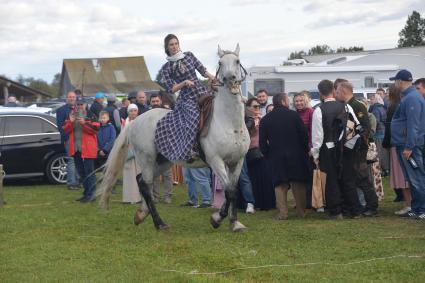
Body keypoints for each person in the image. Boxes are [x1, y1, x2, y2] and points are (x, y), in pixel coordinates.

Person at [154, 34, 216, 162]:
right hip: (187, 97)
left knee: (217, 106)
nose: (174, 46)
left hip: (200, 90)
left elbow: (202, 70)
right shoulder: (166, 68)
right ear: (167, 47)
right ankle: (191, 149)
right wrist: (184, 83)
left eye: (176, 43)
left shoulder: (189, 55)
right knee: (193, 117)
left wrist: (213, 78)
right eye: (171, 44)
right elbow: (172, 88)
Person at [312, 80, 361, 219]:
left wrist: (315, 154)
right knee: (348, 179)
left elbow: (317, 136)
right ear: (334, 90)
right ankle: (353, 209)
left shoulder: (318, 110)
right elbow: (355, 126)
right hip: (345, 148)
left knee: (331, 181)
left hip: (327, 149)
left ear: (321, 93)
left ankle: (336, 211)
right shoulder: (346, 107)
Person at [260, 93, 310, 220]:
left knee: (279, 184)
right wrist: (304, 150)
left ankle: (283, 213)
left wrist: (268, 155)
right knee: (298, 183)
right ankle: (301, 211)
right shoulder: (294, 115)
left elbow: (262, 143)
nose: (289, 102)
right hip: (296, 154)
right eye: (287, 100)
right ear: (283, 101)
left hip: (276, 155)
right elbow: (304, 135)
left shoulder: (265, 119)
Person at [336, 81, 379, 217]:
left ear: (343, 92)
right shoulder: (346, 106)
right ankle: (360, 205)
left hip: (358, 149)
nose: (335, 94)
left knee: (362, 177)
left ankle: (372, 205)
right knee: (354, 178)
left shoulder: (356, 106)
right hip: (351, 149)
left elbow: (364, 129)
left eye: (337, 92)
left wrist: (352, 144)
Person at [390, 69, 425, 219]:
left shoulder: (412, 98)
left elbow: (413, 124)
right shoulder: (409, 97)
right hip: (405, 143)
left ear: (400, 82)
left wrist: (409, 146)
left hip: (409, 145)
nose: (394, 84)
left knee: (416, 178)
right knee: (412, 178)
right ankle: (417, 208)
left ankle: (421, 209)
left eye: (395, 81)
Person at [62, 97, 99, 203]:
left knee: (89, 172)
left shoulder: (91, 115)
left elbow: (95, 130)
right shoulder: (72, 115)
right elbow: (65, 129)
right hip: (76, 149)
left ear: (86, 105)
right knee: (82, 173)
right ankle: (87, 193)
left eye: (81, 104)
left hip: (88, 149)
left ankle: (91, 194)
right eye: (78, 104)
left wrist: (84, 123)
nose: (79, 106)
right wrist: (71, 122)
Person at [382, 84, 411, 213]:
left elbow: (389, 127)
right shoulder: (407, 104)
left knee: (402, 177)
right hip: (409, 143)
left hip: (398, 144)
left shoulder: (393, 106)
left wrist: (386, 143)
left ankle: (409, 204)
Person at [245, 98, 275, 210]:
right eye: (255, 106)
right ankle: (254, 202)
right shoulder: (246, 120)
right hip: (250, 151)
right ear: (248, 108)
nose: (257, 108)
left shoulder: (263, 118)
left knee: (265, 178)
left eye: (258, 106)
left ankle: (267, 203)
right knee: (253, 178)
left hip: (263, 152)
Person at [148, 94, 173, 204]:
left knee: (167, 174)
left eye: (157, 101)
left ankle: (168, 196)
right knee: (155, 174)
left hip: (166, 147)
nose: (155, 103)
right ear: (150, 103)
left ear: (160, 101)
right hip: (153, 147)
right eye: (153, 101)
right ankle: (156, 196)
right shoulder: (147, 115)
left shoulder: (167, 112)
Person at [56, 91, 79, 190]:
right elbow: (60, 126)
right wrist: (66, 138)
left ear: (75, 98)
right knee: (71, 160)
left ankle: (78, 181)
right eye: (70, 97)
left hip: (79, 138)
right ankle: (71, 183)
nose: (71, 98)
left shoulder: (79, 109)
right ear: (66, 98)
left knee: (78, 160)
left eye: (73, 97)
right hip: (69, 138)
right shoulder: (61, 110)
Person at [122, 104, 142, 204]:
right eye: (131, 111)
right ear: (128, 112)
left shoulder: (141, 121)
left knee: (138, 173)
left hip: (138, 150)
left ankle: (137, 197)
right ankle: (128, 197)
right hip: (127, 150)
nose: (133, 113)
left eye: (135, 110)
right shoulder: (124, 123)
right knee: (128, 173)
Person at [369, 93, 389, 176]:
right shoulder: (382, 107)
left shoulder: (375, 109)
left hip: (378, 133)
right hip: (383, 132)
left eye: (372, 99)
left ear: (376, 100)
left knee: (379, 153)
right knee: (384, 152)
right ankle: (386, 169)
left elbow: (376, 122)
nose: (370, 101)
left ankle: (382, 170)